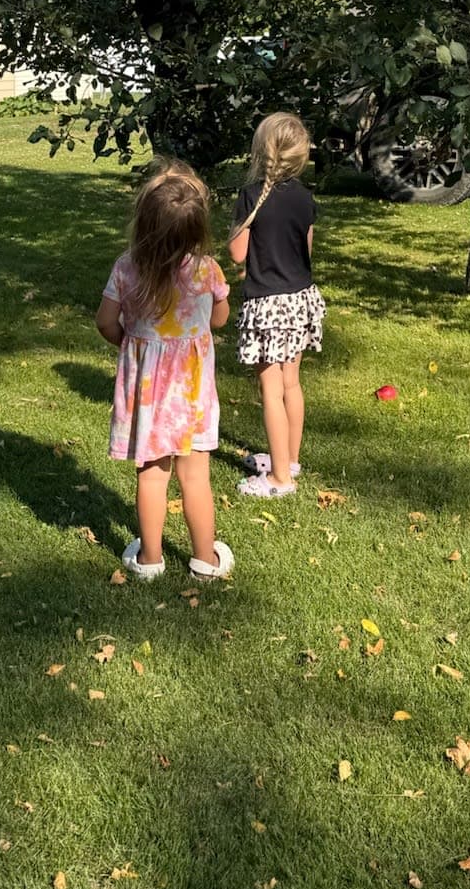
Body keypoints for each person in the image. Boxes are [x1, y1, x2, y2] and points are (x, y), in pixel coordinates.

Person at [94, 163, 235, 580]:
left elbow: (105, 321)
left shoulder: (127, 267)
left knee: (152, 475)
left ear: (144, 223)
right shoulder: (207, 269)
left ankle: (150, 560)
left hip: (149, 393)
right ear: (197, 229)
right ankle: (205, 560)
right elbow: (221, 318)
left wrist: (132, 344)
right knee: (196, 478)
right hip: (191, 393)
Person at [228, 112, 324, 498]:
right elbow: (307, 250)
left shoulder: (251, 197)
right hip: (301, 299)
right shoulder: (305, 198)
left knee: (270, 387)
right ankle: (289, 459)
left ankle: (279, 478)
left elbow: (237, 254)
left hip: (267, 303)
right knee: (291, 383)